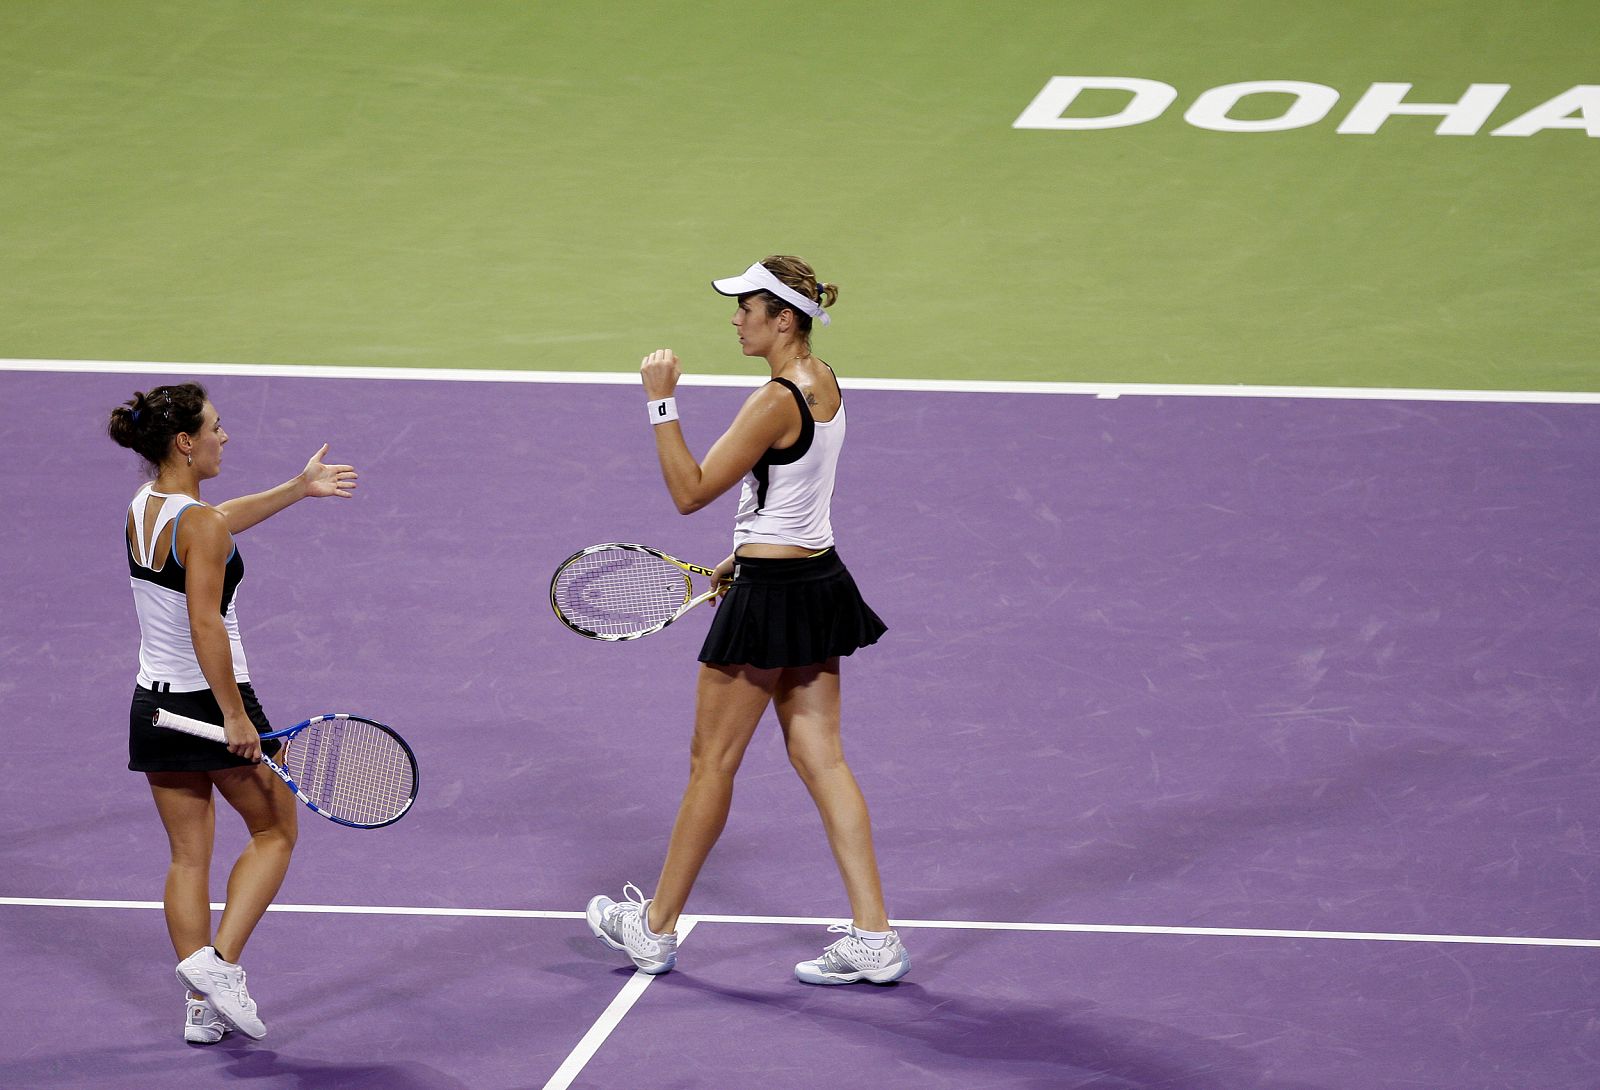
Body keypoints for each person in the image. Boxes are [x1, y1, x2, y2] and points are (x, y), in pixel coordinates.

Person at [586, 256, 908, 985]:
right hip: (817, 579)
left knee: (712, 765)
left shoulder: (772, 400)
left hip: (774, 594)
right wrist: (742, 554)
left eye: (748, 308)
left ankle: (654, 928)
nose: (735, 319)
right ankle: (875, 937)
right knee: (822, 757)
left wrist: (660, 403)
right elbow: (789, 494)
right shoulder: (823, 379)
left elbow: (690, 491)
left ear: (783, 319)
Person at [106, 383, 358, 1043]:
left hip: (153, 705)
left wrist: (297, 488)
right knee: (276, 829)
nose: (225, 437)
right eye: (216, 428)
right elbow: (205, 625)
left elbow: (216, 523)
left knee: (189, 856)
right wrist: (236, 719)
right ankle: (219, 967)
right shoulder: (202, 522)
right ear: (185, 442)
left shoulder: (146, 508)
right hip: (212, 702)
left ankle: (198, 1008)